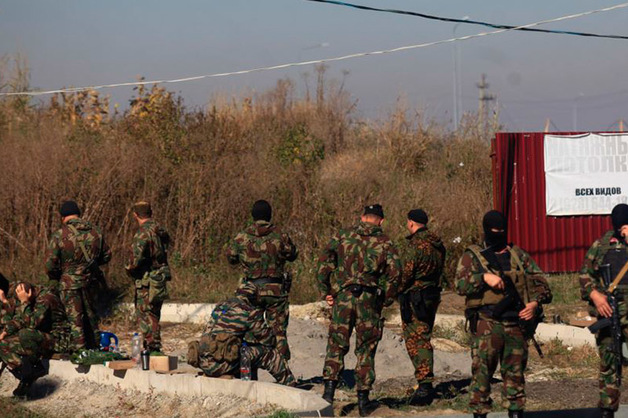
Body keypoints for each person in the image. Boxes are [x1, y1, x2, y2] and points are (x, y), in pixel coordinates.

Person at [455, 210, 552, 418]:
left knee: (515, 377)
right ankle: (480, 413)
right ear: (486, 230)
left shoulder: (518, 255)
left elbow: (541, 284)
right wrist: (484, 278)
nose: (498, 234)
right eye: (494, 231)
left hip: (516, 324)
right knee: (482, 375)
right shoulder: (472, 255)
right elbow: (460, 285)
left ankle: (516, 413)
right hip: (487, 323)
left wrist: (534, 303)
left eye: (501, 230)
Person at [317, 204, 402, 416]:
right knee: (366, 349)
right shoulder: (386, 242)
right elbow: (395, 274)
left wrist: (327, 290)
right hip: (369, 300)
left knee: (336, 344)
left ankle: (328, 395)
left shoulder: (343, 236)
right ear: (381, 221)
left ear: (362, 217)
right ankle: (363, 402)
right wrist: (385, 298)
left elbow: (323, 264)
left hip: (344, 297)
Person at [225, 200, 298, 360]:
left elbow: (231, 258)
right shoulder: (281, 236)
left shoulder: (241, 237)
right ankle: (283, 374)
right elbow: (293, 254)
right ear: (269, 216)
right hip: (276, 291)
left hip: (250, 291)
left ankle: (250, 374)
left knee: (249, 332)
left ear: (253, 216)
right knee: (278, 333)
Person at [187, 282, 296, 386]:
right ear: (254, 298)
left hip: (204, 363)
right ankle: (289, 384)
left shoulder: (220, 307)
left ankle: (246, 379)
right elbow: (267, 339)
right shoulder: (248, 311)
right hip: (220, 365)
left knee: (244, 348)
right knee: (268, 353)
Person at [580, 203, 628, 418]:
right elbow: (584, 275)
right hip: (610, 312)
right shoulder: (601, 245)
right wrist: (595, 295)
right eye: (623, 225)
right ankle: (607, 409)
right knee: (609, 361)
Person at [45, 200, 111, 351]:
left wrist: (58, 275)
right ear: (78, 214)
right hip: (91, 281)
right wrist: (90, 264)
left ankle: (80, 353)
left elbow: (50, 265)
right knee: (91, 317)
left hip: (69, 283)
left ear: (63, 217)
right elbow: (107, 255)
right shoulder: (95, 232)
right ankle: (94, 348)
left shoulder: (60, 235)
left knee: (75, 320)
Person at [398, 209, 446, 405]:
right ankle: (425, 382)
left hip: (415, 297)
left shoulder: (415, 245)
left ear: (411, 223)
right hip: (431, 295)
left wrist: (393, 291)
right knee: (424, 335)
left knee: (417, 340)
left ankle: (425, 385)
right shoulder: (438, 243)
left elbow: (406, 273)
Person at [0, 281, 68, 398]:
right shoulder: (29, 298)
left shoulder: (46, 298)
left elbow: (31, 324)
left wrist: (24, 302)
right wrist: (4, 332)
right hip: (38, 336)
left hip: (57, 339)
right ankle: (26, 372)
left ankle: (31, 370)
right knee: (3, 343)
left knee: (25, 334)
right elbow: (19, 319)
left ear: (29, 293)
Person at [125, 201, 171, 352]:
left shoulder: (142, 233)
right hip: (159, 278)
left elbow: (134, 261)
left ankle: (152, 347)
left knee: (145, 314)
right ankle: (154, 345)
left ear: (135, 215)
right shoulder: (160, 230)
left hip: (147, 279)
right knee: (155, 313)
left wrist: (129, 269)